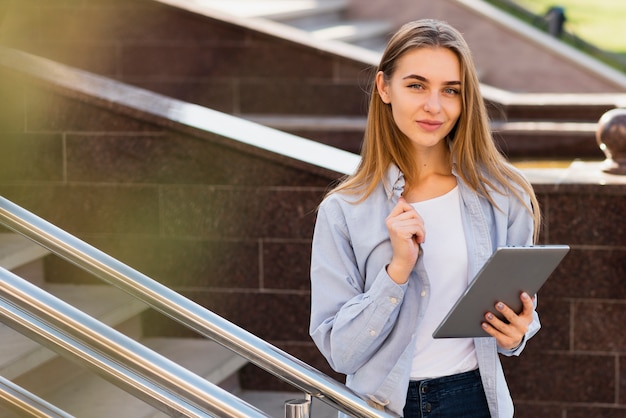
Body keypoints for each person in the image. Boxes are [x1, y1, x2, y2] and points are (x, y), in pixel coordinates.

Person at [309, 19, 542, 418]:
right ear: (384, 87)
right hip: (380, 405)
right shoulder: (344, 210)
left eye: (450, 90)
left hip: (474, 400)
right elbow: (340, 352)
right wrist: (397, 271)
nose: (435, 106)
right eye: (416, 85)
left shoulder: (506, 196)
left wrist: (518, 331)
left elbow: (519, 316)